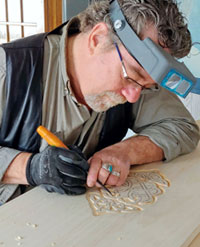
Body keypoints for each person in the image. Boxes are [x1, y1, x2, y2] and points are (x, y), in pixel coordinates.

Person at [0, 0, 199, 204]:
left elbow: (183, 128)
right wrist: (30, 168)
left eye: (146, 86)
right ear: (97, 39)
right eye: (132, 75)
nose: (133, 96)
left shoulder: (139, 78)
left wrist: (124, 151)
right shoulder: (8, 69)